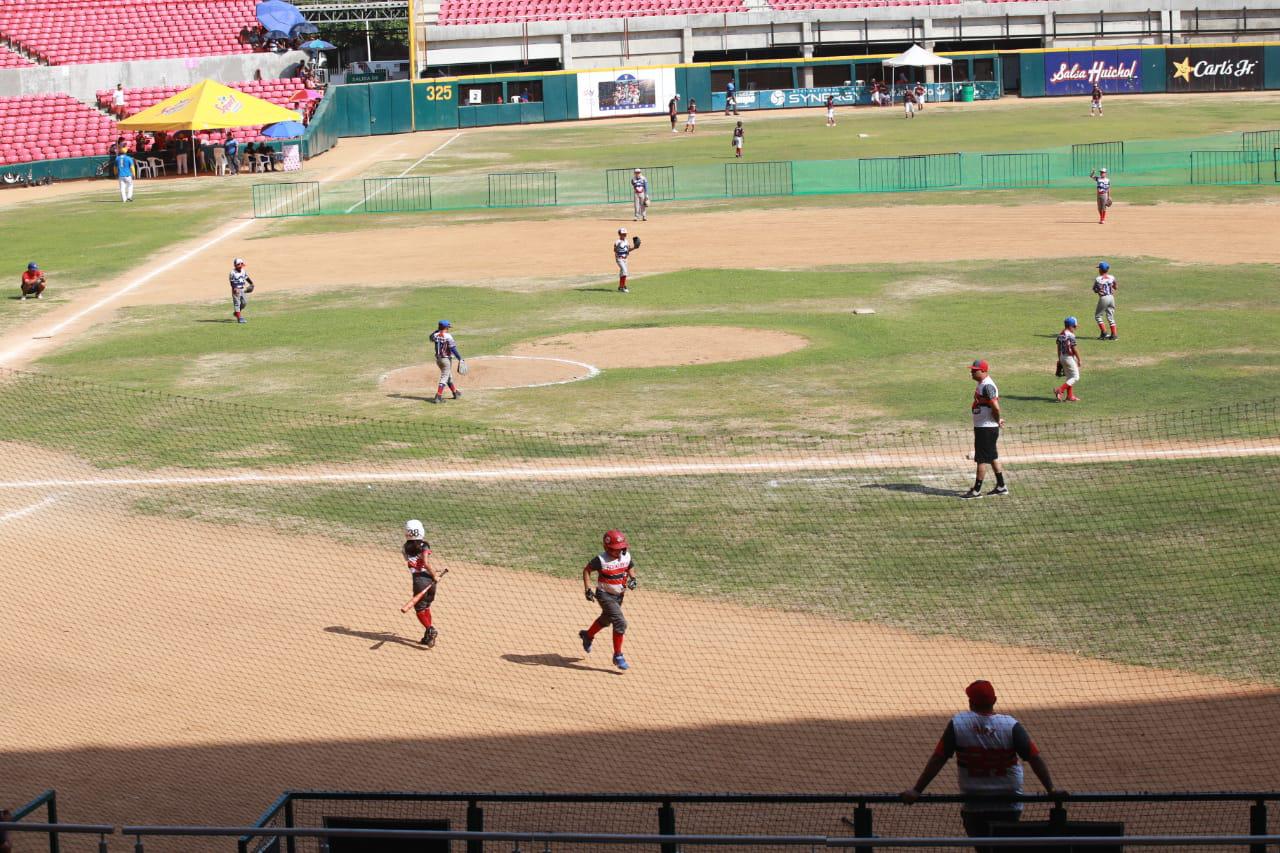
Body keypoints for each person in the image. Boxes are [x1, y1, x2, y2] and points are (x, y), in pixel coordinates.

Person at [900, 680, 1064, 852]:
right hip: (1009, 805)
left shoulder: (958, 724)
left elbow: (938, 759)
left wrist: (917, 790)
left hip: (974, 805)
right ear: (995, 701)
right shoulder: (1010, 725)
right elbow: (1034, 758)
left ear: (970, 703)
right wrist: (1050, 789)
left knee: (984, 849)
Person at [579, 529, 637, 671]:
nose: (618, 552)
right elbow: (587, 570)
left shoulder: (626, 556)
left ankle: (587, 635)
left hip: (619, 596)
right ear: (607, 548)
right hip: (604, 595)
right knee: (620, 622)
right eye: (615, 550)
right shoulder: (601, 560)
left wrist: (633, 578)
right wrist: (587, 589)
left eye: (621, 549)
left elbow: (630, 566)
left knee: (607, 619)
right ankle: (618, 655)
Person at [399, 519, 447, 647]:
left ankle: (430, 629)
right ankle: (428, 637)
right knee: (426, 607)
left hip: (419, 581)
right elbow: (425, 563)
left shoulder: (405, 547)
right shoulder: (425, 545)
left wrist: (433, 572)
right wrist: (434, 575)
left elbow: (417, 565)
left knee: (419, 609)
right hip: (429, 579)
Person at [963, 359, 1007, 498]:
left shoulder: (987, 386)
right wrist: (997, 419)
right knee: (992, 456)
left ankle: (976, 491)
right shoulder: (982, 384)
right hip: (986, 427)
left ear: (983, 371)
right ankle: (1001, 486)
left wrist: (996, 418)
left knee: (981, 459)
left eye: (974, 370)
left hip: (986, 429)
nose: (971, 372)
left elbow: (995, 406)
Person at [429, 320, 462, 403]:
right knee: (444, 377)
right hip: (446, 360)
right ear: (446, 327)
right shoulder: (448, 336)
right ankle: (438, 396)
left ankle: (455, 393)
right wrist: (460, 358)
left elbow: (430, 337)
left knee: (448, 376)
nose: (448, 329)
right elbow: (453, 348)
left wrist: (438, 330)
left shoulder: (435, 335)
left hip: (438, 360)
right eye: (448, 327)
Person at [1053, 317, 1082, 402]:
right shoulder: (1071, 335)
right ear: (1070, 326)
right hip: (1069, 357)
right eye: (1074, 326)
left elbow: (1058, 348)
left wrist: (1060, 359)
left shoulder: (1060, 334)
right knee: (1076, 377)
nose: (1075, 328)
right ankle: (1060, 390)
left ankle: (1070, 396)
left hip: (1062, 357)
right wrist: (1079, 359)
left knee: (1069, 377)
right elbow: (1074, 349)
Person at [1092, 261, 1118, 340]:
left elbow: (1095, 289)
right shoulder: (1112, 277)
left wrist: (1098, 291)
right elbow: (1115, 287)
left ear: (1100, 270)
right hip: (1111, 297)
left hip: (1104, 298)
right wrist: (1112, 288)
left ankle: (1104, 333)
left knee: (1098, 316)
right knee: (1110, 316)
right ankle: (1114, 335)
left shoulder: (1098, 279)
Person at [229, 257, 254, 323]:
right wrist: (235, 288)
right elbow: (232, 282)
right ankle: (239, 318)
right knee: (237, 304)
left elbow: (246, 277)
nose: (241, 266)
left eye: (241, 265)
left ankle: (236, 313)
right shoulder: (232, 273)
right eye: (239, 265)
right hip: (236, 290)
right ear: (236, 266)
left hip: (243, 289)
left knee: (244, 303)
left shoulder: (243, 271)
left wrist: (251, 283)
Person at [614, 227, 638, 293]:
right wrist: (617, 247)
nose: (624, 235)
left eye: (625, 234)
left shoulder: (626, 241)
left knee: (623, 273)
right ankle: (623, 287)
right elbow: (615, 250)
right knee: (624, 271)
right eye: (622, 234)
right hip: (619, 259)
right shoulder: (617, 242)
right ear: (619, 234)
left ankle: (620, 286)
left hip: (625, 259)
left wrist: (634, 247)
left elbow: (628, 250)